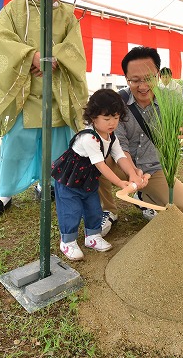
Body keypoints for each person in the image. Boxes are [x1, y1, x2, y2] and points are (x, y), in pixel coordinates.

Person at [0, 0, 88, 217]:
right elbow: (3, 44)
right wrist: (32, 58)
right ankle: (4, 193)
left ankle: (47, 183)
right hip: (23, 92)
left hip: (55, 93)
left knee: (56, 145)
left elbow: (75, 51)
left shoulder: (68, 17)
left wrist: (53, 62)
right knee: (16, 143)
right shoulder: (13, 11)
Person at [98, 46, 183, 234]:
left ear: (158, 75)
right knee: (96, 161)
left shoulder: (171, 100)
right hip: (121, 163)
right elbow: (120, 146)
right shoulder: (118, 102)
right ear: (126, 79)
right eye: (135, 80)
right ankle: (108, 209)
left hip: (154, 168)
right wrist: (132, 173)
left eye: (148, 78)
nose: (143, 86)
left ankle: (144, 197)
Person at [52, 89, 146, 261]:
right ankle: (68, 241)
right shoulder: (89, 138)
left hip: (87, 180)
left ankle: (92, 236)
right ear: (93, 117)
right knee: (70, 211)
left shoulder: (112, 137)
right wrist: (120, 182)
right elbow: (101, 165)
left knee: (94, 207)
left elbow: (120, 156)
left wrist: (132, 174)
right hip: (70, 180)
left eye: (116, 118)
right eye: (107, 118)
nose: (112, 123)